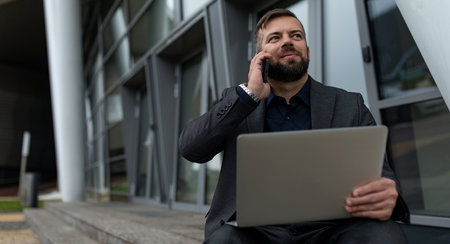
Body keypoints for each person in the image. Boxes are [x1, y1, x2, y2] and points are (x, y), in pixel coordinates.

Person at [179, 8, 409, 244]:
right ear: (260, 57)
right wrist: (248, 95)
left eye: (296, 36)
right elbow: (191, 149)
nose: (288, 41)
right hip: (256, 232)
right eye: (275, 38)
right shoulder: (238, 101)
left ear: (307, 51)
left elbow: (383, 177)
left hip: (332, 230)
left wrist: (387, 194)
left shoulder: (350, 105)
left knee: (386, 237)